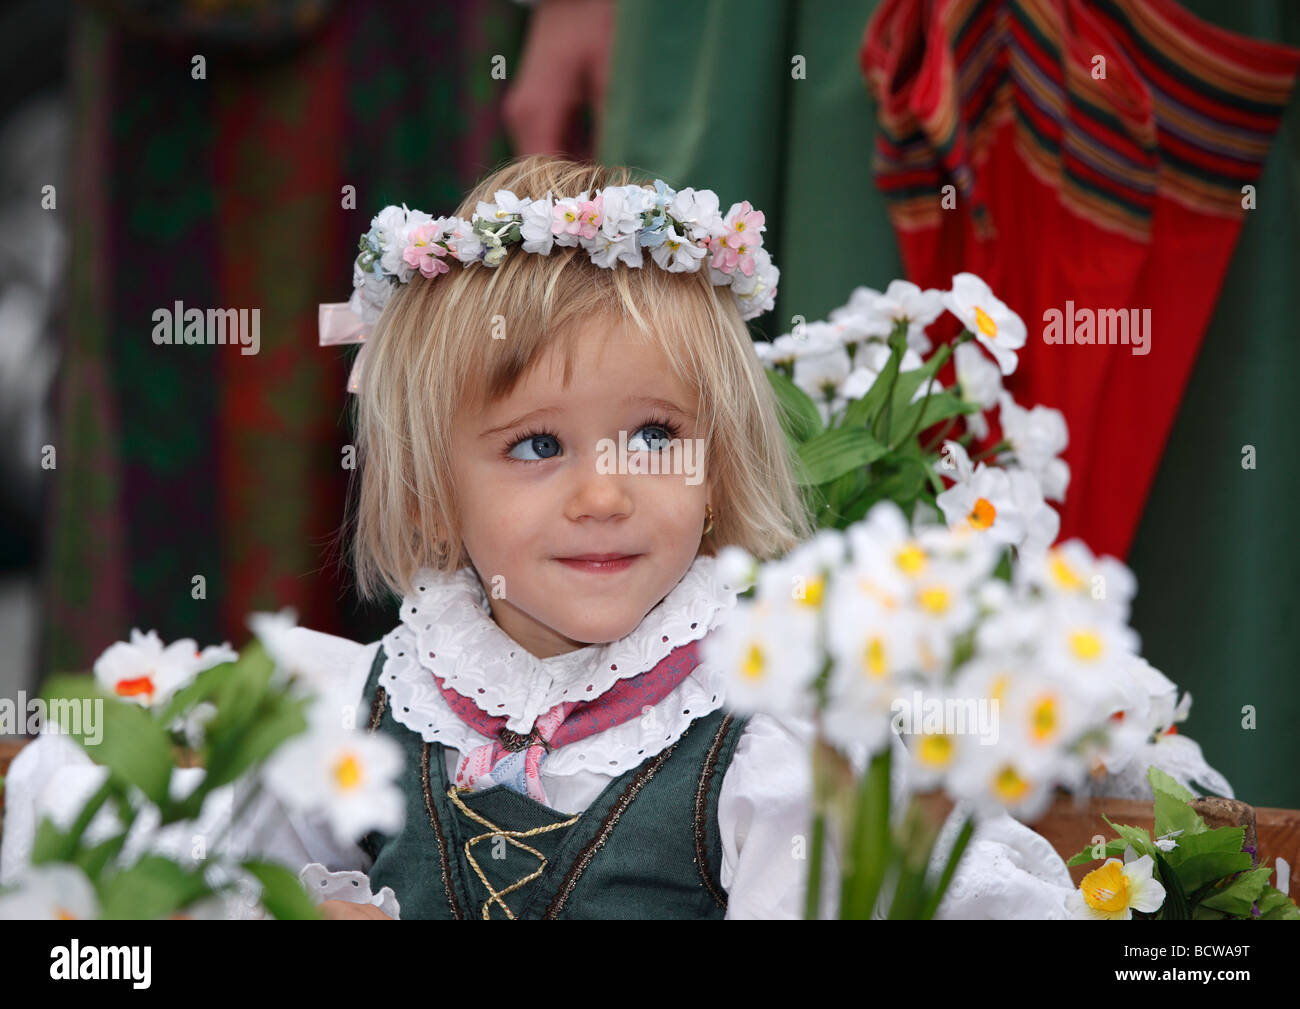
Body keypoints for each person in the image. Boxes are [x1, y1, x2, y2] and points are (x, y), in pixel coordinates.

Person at [1, 153, 1080, 919]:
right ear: (431, 496)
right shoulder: (366, 705)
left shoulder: (763, 736)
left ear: (714, 474)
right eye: (534, 447)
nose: (604, 494)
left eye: (654, 434)